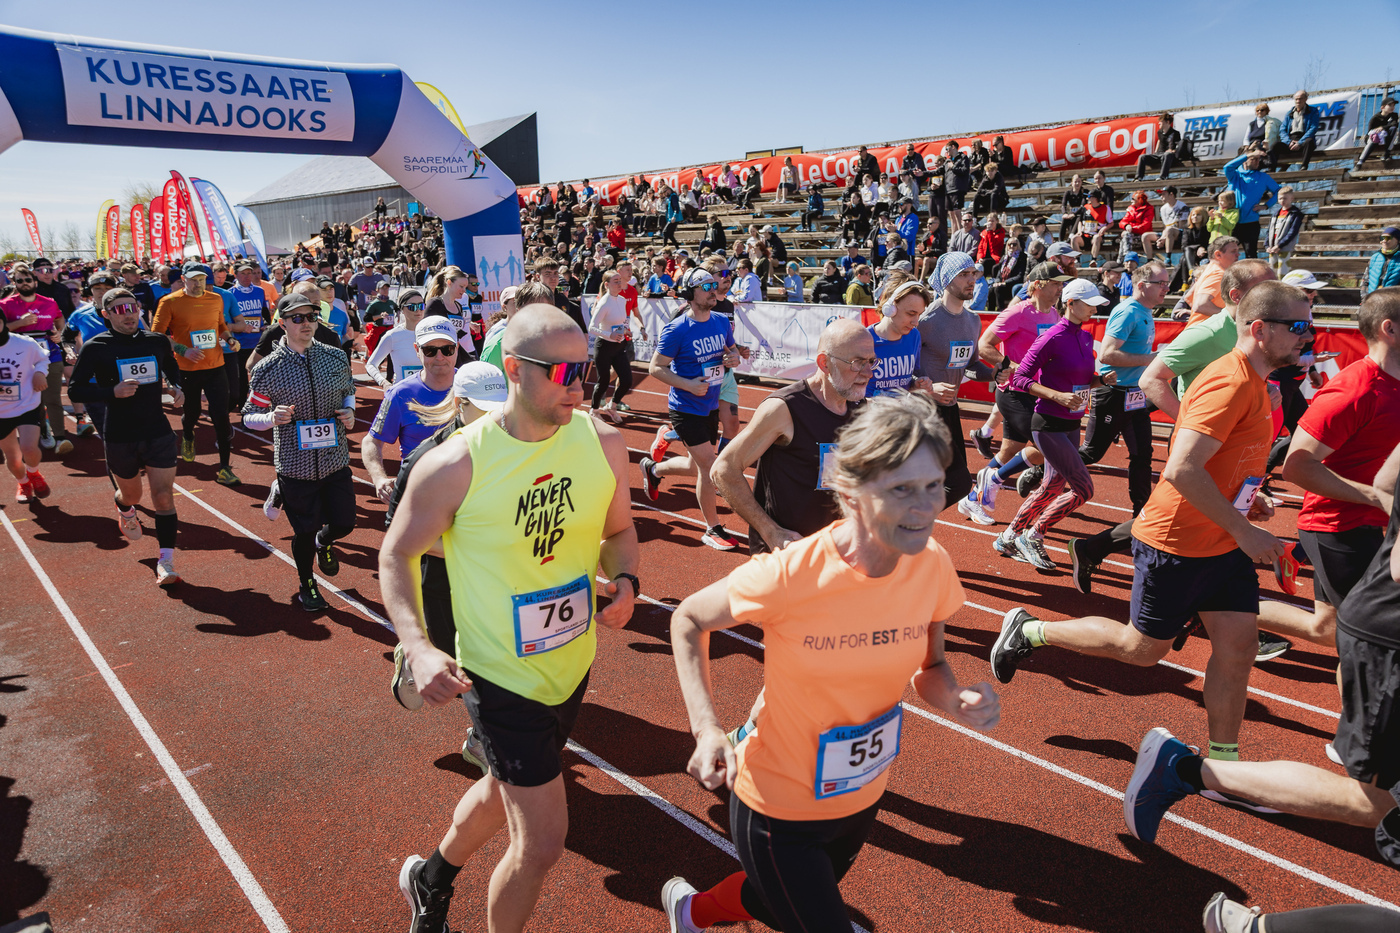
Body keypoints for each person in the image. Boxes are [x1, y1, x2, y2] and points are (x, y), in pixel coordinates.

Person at [663, 393, 999, 933]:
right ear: (850, 492)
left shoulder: (931, 563)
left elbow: (932, 668)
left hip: (860, 794)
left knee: (776, 900)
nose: (925, 507)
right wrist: (706, 730)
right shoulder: (791, 574)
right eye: (901, 489)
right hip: (776, 804)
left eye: (934, 486)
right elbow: (688, 619)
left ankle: (691, 912)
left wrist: (957, 699)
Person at [381, 304, 638, 933]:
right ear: (516, 370)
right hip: (498, 674)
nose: (579, 385)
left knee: (504, 788)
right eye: (563, 372)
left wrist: (627, 581)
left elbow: (620, 532)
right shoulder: (456, 464)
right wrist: (418, 645)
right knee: (543, 843)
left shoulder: (602, 442)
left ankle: (430, 877)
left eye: (585, 370)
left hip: (571, 662)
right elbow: (397, 553)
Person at [992, 281, 1313, 768]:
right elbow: (1182, 468)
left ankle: (1223, 767)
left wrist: (1249, 498)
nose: (1307, 336)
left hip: (1223, 542)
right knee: (1140, 650)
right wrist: (1245, 530)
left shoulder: (1258, 384)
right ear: (1260, 330)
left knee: (1239, 647)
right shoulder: (1229, 382)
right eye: (1298, 326)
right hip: (1177, 542)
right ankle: (1032, 631)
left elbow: (1222, 457)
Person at [1120, 440, 1400, 858]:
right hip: (1385, 626)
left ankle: (1208, 764)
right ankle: (1188, 769)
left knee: (1250, 643)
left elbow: (1387, 480)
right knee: (1373, 802)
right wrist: (1242, 526)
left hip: (1369, 614)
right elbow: (1183, 467)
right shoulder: (1228, 396)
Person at [1273, 287, 1400, 651]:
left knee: (1327, 629)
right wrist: (1378, 497)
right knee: (1368, 642)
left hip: (1381, 524)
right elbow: (1297, 467)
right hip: (1341, 527)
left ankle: (1221, 612)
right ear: (1389, 329)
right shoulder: (1355, 390)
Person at [385, 360, 509, 713]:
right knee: (457, 667)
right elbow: (396, 533)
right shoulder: (428, 459)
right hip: (443, 580)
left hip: (496, 577)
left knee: (493, 668)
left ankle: (482, 737)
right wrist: (471, 549)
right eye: (483, 409)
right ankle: (413, 654)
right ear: (459, 404)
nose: (494, 418)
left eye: (499, 408)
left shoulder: (509, 444)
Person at [712, 318, 872, 554]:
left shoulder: (860, 408)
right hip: (786, 556)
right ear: (825, 363)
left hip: (834, 552)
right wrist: (771, 532)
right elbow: (723, 470)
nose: (868, 372)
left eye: (871, 361)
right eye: (857, 363)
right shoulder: (784, 408)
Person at [241, 294, 358, 611]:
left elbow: (348, 393)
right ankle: (307, 584)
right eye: (297, 318)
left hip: (334, 459)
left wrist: (349, 412)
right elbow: (249, 416)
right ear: (282, 324)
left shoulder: (335, 357)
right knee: (304, 531)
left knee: (345, 523)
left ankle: (325, 541)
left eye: (311, 316)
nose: (306, 323)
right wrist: (271, 417)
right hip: (295, 464)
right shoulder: (268, 368)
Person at [989, 278, 1112, 568]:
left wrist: (1100, 381)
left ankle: (1009, 536)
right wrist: (1056, 395)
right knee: (1084, 489)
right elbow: (1020, 379)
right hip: (1048, 424)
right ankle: (1034, 535)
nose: (1094, 310)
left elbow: (1079, 380)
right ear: (1070, 303)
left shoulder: (1084, 337)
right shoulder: (1052, 336)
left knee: (1052, 486)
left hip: (1072, 422)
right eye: (1089, 304)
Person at [68, 288, 185, 585]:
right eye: (119, 310)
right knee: (132, 495)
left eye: (132, 307)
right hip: (120, 433)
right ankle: (124, 507)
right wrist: (112, 391)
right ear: (106, 315)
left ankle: (166, 561)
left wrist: (175, 387)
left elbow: (171, 366)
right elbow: (75, 390)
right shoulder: (96, 347)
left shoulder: (156, 341)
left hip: (157, 430)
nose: (128, 314)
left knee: (163, 496)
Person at [640, 269, 742, 550]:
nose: (713, 290)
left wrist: (733, 358)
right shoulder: (677, 329)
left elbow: (731, 351)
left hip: (709, 404)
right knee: (709, 466)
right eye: (705, 286)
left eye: (713, 285)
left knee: (693, 464)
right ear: (690, 293)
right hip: (685, 408)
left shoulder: (721, 321)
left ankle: (654, 469)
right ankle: (712, 528)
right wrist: (687, 384)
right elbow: (655, 368)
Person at [967, 263, 1070, 515]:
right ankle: (999, 479)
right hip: (1014, 393)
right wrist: (1012, 366)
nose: (1060, 288)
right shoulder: (1017, 312)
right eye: (1055, 283)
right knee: (1047, 446)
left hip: (1036, 392)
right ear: (1038, 285)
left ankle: (973, 497)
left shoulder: (1054, 315)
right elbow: (984, 346)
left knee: (1010, 450)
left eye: (1062, 284)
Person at [1078, 262, 1171, 516]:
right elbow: (1107, 355)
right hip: (1113, 393)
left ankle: (1141, 514)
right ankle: (1040, 470)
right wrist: (1149, 359)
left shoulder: (1145, 310)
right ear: (1141, 285)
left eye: (1167, 283)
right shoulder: (1128, 312)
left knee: (1143, 454)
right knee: (1092, 453)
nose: (1166, 288)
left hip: (1135, 395)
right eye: (1161, 283)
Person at [152, 261, 240, 486]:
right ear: (183, 279)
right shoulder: (169, 302)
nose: (198, 284)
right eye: (193, 280)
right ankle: (189, 434)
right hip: (187, 369)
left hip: (216, 366)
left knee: (221, 416)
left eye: (202, 279)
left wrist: (230, 339)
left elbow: (220, 325)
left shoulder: (216, 299)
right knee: (191, 413)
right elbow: (157, 336)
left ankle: (224, 468)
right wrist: (183, 350)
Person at [919, 252, 996, 507]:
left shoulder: (973, 320)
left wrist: (994, 373)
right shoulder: (926, 320)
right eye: (963, 274)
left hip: (950, 410)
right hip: (923, 411)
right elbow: (905, 367)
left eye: (973, 274)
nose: (971, 280)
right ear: (946, 279)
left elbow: (971, 365)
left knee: (953, 482)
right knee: (952, 481)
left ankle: (908, 521)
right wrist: (929, 387)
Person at [363, 318, 459, 503]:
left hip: (468, 495)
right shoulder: (400, 394)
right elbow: (371, 441)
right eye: (430, 350)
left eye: (447, 349)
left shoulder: (472, 386)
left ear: (457, 348)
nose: (440, 357)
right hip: (420, 496)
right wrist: (379, 478)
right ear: (417, 350)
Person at [1, 262, 71, 456]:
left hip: (50, 354)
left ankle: (60, 437)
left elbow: (60, 319)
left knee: (53, 397)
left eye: (28, 280)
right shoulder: (5, 305)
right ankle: (43, 429)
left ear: (35, 282)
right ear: (15, 283)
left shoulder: (49, 302)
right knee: (34, 399)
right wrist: (20, 323)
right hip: (21, 358)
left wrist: (59, 333)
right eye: (20, 281)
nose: (24, 283)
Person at [0, 309, 54, 503]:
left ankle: (34, 473)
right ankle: (23, 482)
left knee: (29, 449)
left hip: (27, 404)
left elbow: (42, 359)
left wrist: (40, 373)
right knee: (13, 458)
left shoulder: (24, 343)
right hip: (1, 412)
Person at [587, 269, 645, 421]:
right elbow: (592, 327)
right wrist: (609, 335)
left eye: (620, 281)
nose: (620, 284)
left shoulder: (621, 300)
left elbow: (620, 321)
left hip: (619, 345)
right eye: (616, 281)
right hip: (604, 347)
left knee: (627, 380)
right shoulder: (604, 303)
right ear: (607, 285)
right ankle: (594, 410)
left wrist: (625, 330)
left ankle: (611, 406)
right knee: (603, 382)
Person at [865, 279, 932, 399]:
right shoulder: (863, 340)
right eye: (911, 313)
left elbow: (906, 380)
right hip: (869, 411)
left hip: (901, 410)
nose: (916, 322)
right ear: (890, 308)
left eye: (919, 315)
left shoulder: (914, 336)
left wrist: (916, 385)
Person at [228, 261, 270, 409]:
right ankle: (242, 408)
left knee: (261, 377)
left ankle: (261, 407)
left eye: (249, 273)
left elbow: (265, 312)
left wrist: (266, 324)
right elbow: (227, 319)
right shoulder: (230, 294)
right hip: (240, 343)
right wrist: (239, 327)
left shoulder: (259, 291)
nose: (247, 277)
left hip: (257, 342)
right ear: (235, 275)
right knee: (241, 381)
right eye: (243, 274)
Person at [1223, 147, 1279, 259]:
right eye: (1254, 159)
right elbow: (1227, 167)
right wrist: (1248, 155)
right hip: (1231, 221)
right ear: (1245, 160)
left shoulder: (1263, 177)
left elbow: (1279, 191)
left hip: (1251, 223)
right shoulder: (1235, 175)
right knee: (1226, 253)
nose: (1257, 162)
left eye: (1258, 159)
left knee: (1251, 254)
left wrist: (1266, 206)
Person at [366, 290, 428, 388]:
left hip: (429, 392)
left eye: (421, 306)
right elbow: (371, 365)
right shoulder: (393, 336)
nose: (418, 310)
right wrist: (384, 382)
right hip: (403, 392)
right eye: (412, 307)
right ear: (402, 309)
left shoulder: (432, 333)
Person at [1184, 237, 1243, 323]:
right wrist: (1232, 316)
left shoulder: (1209, 269)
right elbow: (1200, 306)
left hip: (1201, 327)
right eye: (1233, 251)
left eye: (1237, 251)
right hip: (1206, 329)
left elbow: (1189, 297)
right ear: (1218, 254)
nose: (1238, 254)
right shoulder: (1218, 274)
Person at [1271, 90, 1320, 172]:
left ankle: (1304, 167)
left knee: (1309, 141)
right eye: (1296, 99)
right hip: (1290, 141)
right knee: (1275, 145)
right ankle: (1272, 169)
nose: (1298, 101)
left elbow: (1313, 128)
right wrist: (1289, 142)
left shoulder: (1313, 111)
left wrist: (1300, 143)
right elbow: (1282, 130)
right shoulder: (1289, 113)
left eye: (1300, 99)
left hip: (1304, 140)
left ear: (1306, 99)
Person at [1264, 186, 1303, 276]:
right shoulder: (1275, 214)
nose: (1282, 201)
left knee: (1283, 273)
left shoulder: (1295, 214)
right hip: (1272, 249)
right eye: (1280, 198)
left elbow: (1292, 232)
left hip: (1284, 248)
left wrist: (1280, 245)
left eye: (1285, 198)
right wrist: (1267, 245)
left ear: (1291, 198)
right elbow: (1269, 231)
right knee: (1272, 273)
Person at [1135, 114, 1186, 180]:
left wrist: (1173, 150)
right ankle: (1138, 178)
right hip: (1159, 155)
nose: (1159, 123)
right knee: (1142, 157)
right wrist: (1155, 152)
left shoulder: (1175, 133)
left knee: (1167, 154)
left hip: (1169, 156)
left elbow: (1179, 145)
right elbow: (1159, 141)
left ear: (1167, 122)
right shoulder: (1159, 132)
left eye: (1161, 121)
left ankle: (1163, 177)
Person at [1356, 96, 1398, 168]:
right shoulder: (1375, 118)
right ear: (1382, 107)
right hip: (1373, 138)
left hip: (1385, 138)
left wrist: (1382, 127)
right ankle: (1360, 162)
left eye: (1393, 105)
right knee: (1373, 139)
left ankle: (1387, 153)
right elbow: (1369, 132)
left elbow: (1395, 124)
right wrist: (1376, 132)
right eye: (1390, 105)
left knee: (1394, 128)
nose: (1392, 107)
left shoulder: (1394, 115)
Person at [1363, 226, 1400, 297]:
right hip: (1372, 299)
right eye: (1382, 238)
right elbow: (1365, 281)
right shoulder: (1375, 257)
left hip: (1393, 300)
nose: (1384, 241)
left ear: (1397, 240)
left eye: (1388, 238)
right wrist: (1365, 298)